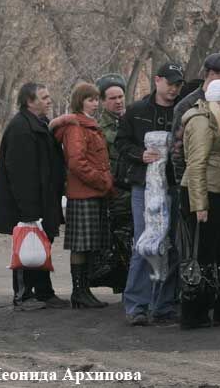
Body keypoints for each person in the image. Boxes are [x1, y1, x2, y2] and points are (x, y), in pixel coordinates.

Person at [116, 62, 184, 326]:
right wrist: (139, 155)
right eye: (170, 84)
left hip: (173, 186)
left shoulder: (181, 112)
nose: (174, 89)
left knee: (172, 246)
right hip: (143, 188)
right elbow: (121, 142)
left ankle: (164, 305)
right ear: (157, 81)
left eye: (178, 85)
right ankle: (136, 306)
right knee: (145, 244)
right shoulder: (136, 111)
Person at [0, 83, 68, 311]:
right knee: (27, 248)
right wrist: (28, 213)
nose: (49, 100)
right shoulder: (20, 129)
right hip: (27, 205)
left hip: (44, 200)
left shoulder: (40, 125)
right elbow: (19, 174)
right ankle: (23, 296)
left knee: (41, 246)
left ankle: (44, 292)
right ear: (29, 101)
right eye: (44, 97)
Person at [178, 80, 220, 329]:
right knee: (201, 255)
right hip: (205, 195)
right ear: (218, 102)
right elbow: (196, 165)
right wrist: (200, 205)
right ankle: (194, 311)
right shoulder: (200, 121)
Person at [53, 82, 113, 309]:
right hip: (84, 193)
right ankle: (79, 291)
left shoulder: (89, 125)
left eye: (97, 99)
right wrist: (101, 180)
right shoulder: (76, 127)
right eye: (90, 100)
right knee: (81, 244)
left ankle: (84, 289)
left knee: (89, 244)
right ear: (80, 101)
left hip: (93, 192)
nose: (95, 104)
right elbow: (76, 162)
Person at [170, 53, 220, 186]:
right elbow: (177, 151)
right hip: (197, 181)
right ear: (212, 74)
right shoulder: (187, 105)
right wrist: (183, 186)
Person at [92, 73, 132, 293]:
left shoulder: (132, 119)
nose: (118, 101)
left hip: (134, 189)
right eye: (112, 98)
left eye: (120, 96)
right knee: (119, 243)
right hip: (116, 193)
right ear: (103, 101)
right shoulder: (100, 128)